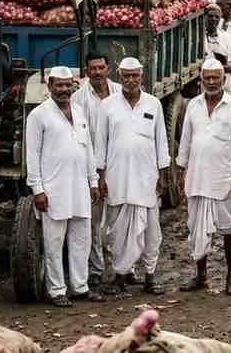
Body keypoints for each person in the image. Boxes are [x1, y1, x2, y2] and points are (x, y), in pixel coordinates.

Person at [26, 66, 104, 307]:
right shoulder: (39, 115)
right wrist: (37, 189)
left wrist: (93, 181)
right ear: (49, 86)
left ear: (73, 86)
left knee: (82, 240)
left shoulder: (79, 112)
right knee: (53, 242)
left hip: (80, 187)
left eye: (67, 85)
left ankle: (80, 287)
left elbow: (88, 148)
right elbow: (32, 154)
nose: (63, 90)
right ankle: (57, 290)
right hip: (53, 190)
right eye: (58, 86)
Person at [95, 57, 170, 295]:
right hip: (117, 178)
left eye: (134, 75)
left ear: (141, 76)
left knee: (151, 230)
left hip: (147, 177)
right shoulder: (107, 105)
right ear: (119, 77)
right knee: (117, 231)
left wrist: (163, 173)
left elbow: (161, 141)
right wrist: (100, 176)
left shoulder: (153, 104)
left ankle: (150, 276)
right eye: (126, 76)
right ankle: (120, 275)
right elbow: (100, 144)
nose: (130, 80)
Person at [176, 59, 231, 295]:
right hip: (197, 177)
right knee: (197, 228)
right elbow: (185, 141)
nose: (212, 82)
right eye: (208, 78)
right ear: (201, 79)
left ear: (224, 78)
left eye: (216, 77)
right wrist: (180, 169)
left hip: (225, 178)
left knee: (229, 229)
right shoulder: (193, 105)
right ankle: (201, 275)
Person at [72, 52, 122, 289]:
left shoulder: (121, 93)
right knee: (92, 220)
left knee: (117, 217)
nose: (98, 72)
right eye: (93, 69)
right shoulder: (78, 99)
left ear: (108, 69)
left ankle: (122, 267)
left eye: (101, 68)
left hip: (119, 164)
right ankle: (95, 269)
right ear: (86, 71)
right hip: (90, 167)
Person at [204, 3, 231, 94]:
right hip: (206, 81)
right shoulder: (200, 38)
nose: (213, 19)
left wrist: (229, 67)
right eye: (210, 16)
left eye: (216, 17)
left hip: (224, 82)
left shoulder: (226, 37)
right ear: (205, 17)